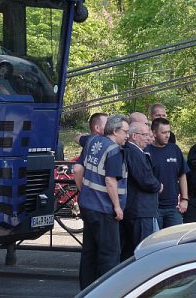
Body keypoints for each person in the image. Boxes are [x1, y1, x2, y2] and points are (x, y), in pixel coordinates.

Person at [73, 114, 129, 289]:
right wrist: (118, 207)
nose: (127, 135)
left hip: (88, 205)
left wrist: (84, 191)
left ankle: (86, 291)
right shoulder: (114, 151)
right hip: (105, 209)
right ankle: (108, 291)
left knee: (89, 252)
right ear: (114, 131)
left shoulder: (92, 143)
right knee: (110, 254)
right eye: (125, 132)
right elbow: (110, 181)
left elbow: (77, 169)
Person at [121, 120, 162, 261]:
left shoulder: (130, 151)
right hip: (142, 210)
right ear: (134, 136)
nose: (149, 138)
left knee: (130, 251)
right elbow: (145, 179)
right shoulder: (134, 152)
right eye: (145, 135)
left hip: (134, 209)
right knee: (145, 251)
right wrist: (158, 186)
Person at [146, 117, 188, 229]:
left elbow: (182, 174)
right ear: (154, 133)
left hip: (174, 207)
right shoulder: (147, 152)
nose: (167, 135)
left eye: (169, 132)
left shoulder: (174, 149)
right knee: (156, 242)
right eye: (164, 132)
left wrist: (185, 199)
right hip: (155, 207)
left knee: (175, 241)